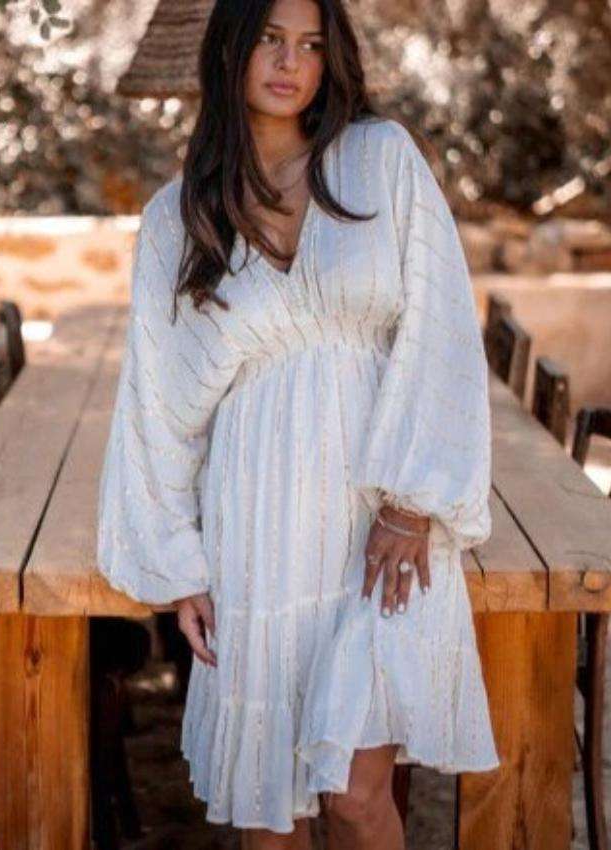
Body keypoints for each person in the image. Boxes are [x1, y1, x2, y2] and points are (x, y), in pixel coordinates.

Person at [96, 0, 500, 846]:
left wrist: (411, 502)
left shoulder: (380, 160)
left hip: (377, 519)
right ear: (230, 51)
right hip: (256, 522)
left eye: (312, 45)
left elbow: (442, 333)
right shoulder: (177, 215)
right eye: (271, 41)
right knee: (269, 801)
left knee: (358, 794)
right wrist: (180, 565)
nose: (291, 63)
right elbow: (158, 407)